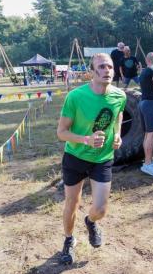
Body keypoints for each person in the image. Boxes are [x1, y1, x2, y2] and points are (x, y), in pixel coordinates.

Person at [56, 53, 126, 265]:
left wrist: (118, 135)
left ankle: (90, 222)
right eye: (102, 66)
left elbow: (118, 115)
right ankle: (69, 240)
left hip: (102, 158)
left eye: (110, 67)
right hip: (76, 156)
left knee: (101, 209)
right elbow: (61, 132)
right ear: (91, 72)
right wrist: (86, 139)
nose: (107, 70)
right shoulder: (75, 97)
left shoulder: (119, 96)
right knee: (72, 202)